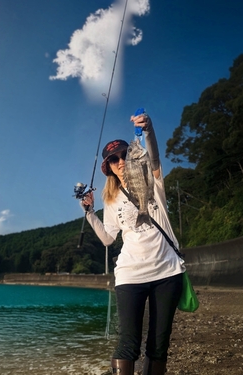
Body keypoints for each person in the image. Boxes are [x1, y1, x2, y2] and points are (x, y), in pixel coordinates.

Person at [80, 111, 185, 375]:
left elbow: (156, 158)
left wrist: (148, 130)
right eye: (113, 159)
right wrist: (89, 213)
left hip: (167, 273)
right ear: (108, 167)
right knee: (128, 344)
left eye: (123, 154)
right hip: (130, 274)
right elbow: (107, 238)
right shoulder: (111, 200)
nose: (120, 161)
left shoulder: (153, 180)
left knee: (159, 345)